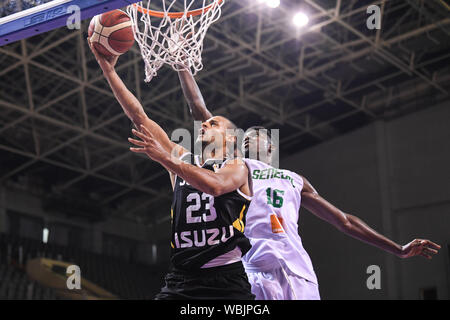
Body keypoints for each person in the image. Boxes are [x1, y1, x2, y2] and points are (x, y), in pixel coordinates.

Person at [176, 68, 441, 300]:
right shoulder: (238, 168)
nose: (249, 138)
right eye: (246, 136)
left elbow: (344, 221)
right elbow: (201, 113)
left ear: (271, 147)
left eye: (257, 135)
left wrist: (399, 249)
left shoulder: (295, 180)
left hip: (297, 269)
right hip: (252, 271)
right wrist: (183, 67)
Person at [88, 40, 255, 300]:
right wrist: (107, 69)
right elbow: (139, 116)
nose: (205, 125)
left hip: (226, 279)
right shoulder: (182, 159)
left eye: (214, 123)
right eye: (205, 123)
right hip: (181, 279)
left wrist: (166, 159)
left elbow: (215, 186)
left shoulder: (237, 167)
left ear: (231, 138)